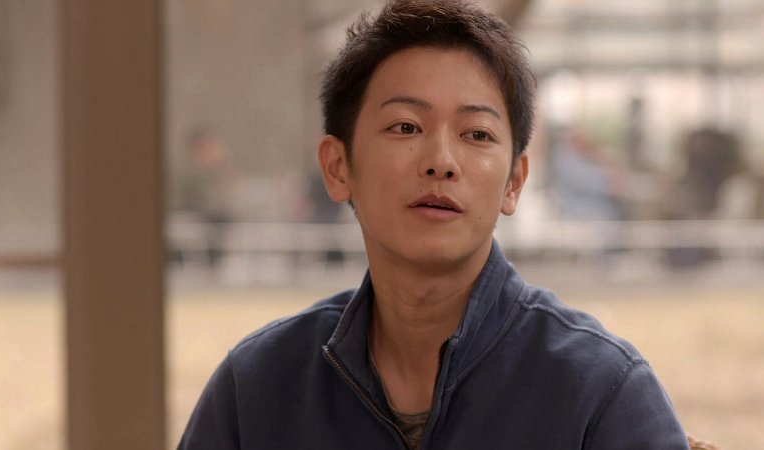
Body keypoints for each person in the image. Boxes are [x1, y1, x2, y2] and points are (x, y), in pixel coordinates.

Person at [178, 1, 689, 448]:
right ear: (338, 167)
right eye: (406, 126)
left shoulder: (601, 391)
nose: (441, 161)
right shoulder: (256, 389)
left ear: (514, 182)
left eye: (477, 134)